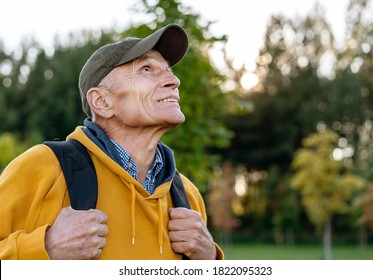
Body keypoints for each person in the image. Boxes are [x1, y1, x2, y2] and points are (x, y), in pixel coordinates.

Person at [0, 24, 224, 260]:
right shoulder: (42, 167)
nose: (174, 80)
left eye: (168, 70)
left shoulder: (188, 195)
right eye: (147, 69)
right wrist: (44, 248)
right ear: (102, 102)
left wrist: (209, 260)